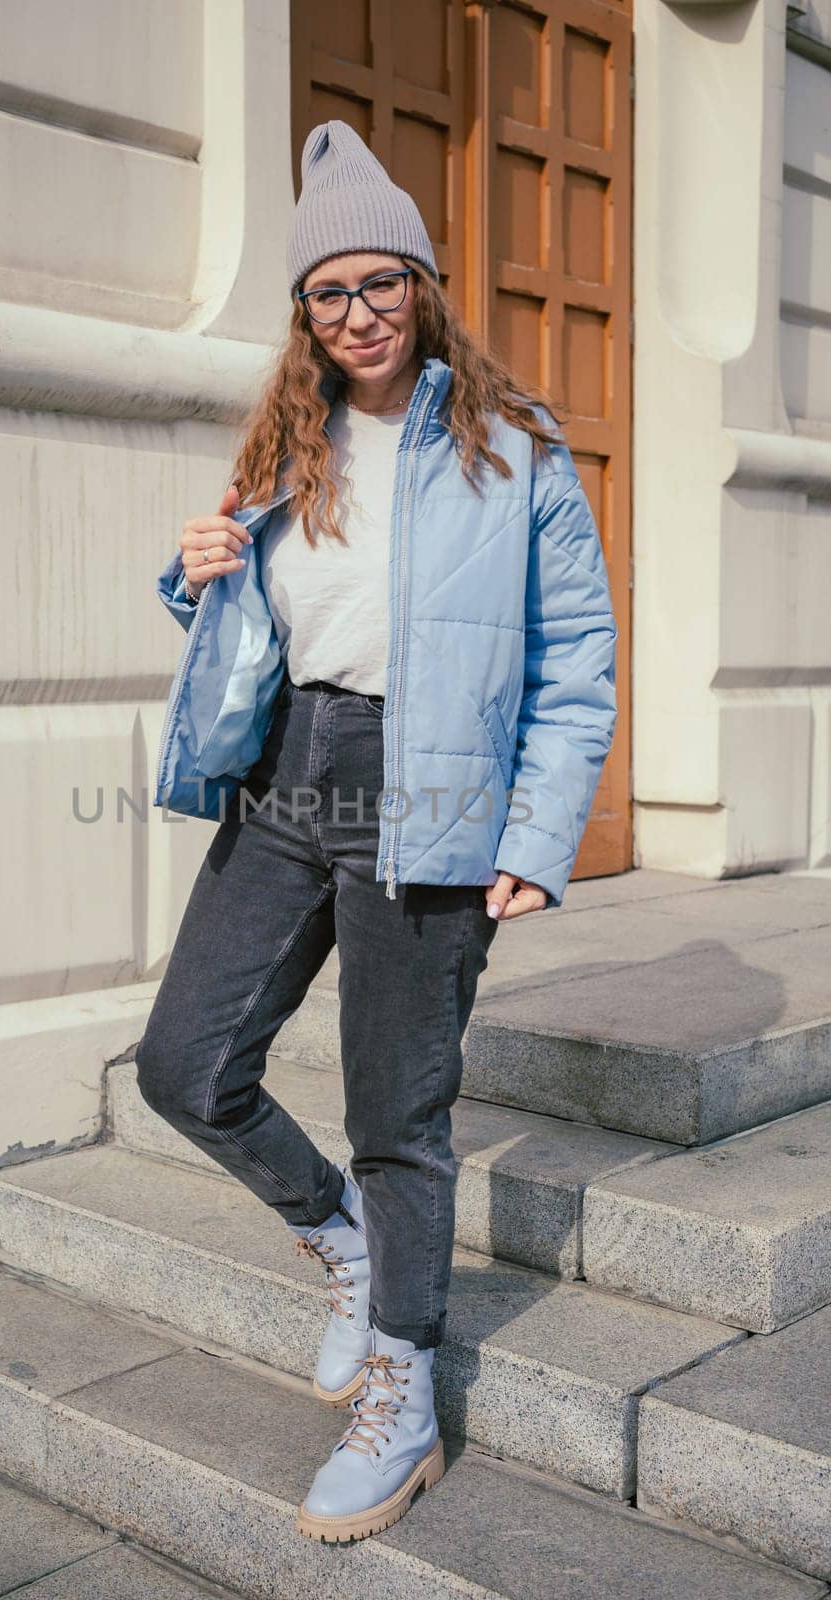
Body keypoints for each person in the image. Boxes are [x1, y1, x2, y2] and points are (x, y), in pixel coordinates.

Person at [136, 120, 617, 1544]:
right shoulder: (287, 438)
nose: (356, 316)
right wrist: (188, 571)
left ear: (422, 285)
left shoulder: (515, 448)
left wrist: (535, 832)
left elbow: (576, 654)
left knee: (396, 1114)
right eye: (327, 294)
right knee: (183, 1063)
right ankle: (341, 1241)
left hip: (436, 787)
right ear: (305, 313)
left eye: (379, 285)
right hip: (289, 774)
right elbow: (253, 617)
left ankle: (400, 1386)